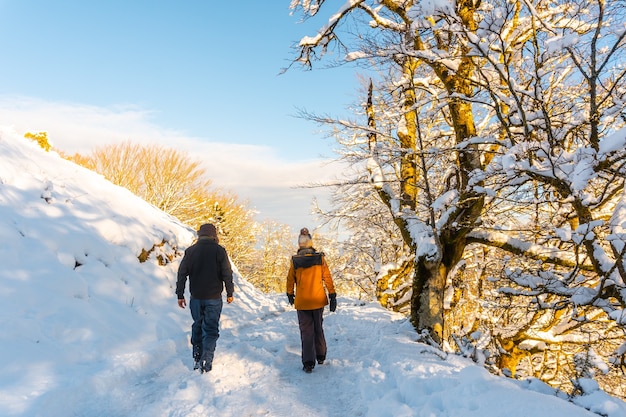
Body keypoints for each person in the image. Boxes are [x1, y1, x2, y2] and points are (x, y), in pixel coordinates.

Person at [176, 223, 234, 373]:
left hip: (196, 297)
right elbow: (227, 273)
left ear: (199, 235)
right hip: (214, 297)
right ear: (214, 235)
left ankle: (197, 357)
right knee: (211, 329)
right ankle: (206, 360)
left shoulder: (191, 251)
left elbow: (182, 273)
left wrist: (180, 294)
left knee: (198, 325)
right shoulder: (219, 251)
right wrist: (230, 292)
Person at [286, 227, 337, 373]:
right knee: (318, 328)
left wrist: (290, 293)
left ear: (299, 244)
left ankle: (308, 362)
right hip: (317, 300)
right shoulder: (319, 258)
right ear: (310, 242)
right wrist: (332, 295)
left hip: (303, 302)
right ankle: (320, 356)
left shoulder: (295, 261)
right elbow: (327, 277)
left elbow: (290, 279)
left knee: (306, 331)